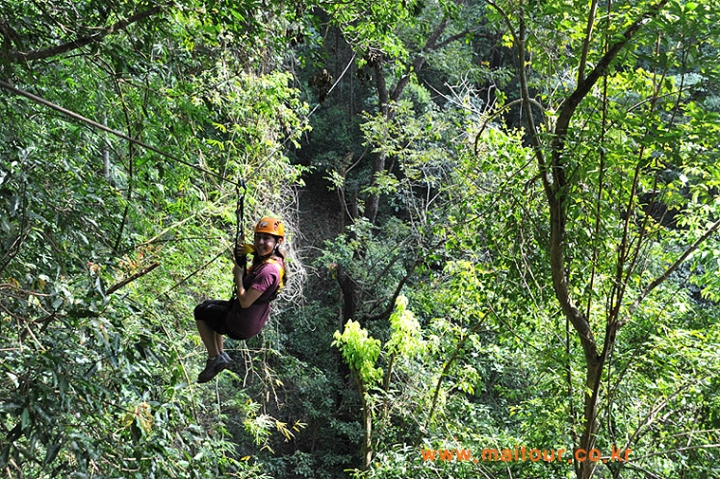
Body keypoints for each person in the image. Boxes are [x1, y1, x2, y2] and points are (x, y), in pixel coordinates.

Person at [193, 216, 285, 383]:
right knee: (208, 306)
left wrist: (238, 276)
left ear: (278, 241)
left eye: (266, 238)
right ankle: (220, 355)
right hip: (247, 317)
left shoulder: (268, 272)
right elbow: (259, 253)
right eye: (257, 237)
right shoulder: (274, 260)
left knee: (200, 312)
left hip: (241, 321)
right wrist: (249, 249)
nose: (260, 242)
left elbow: (245, 301)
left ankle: (215, 357)